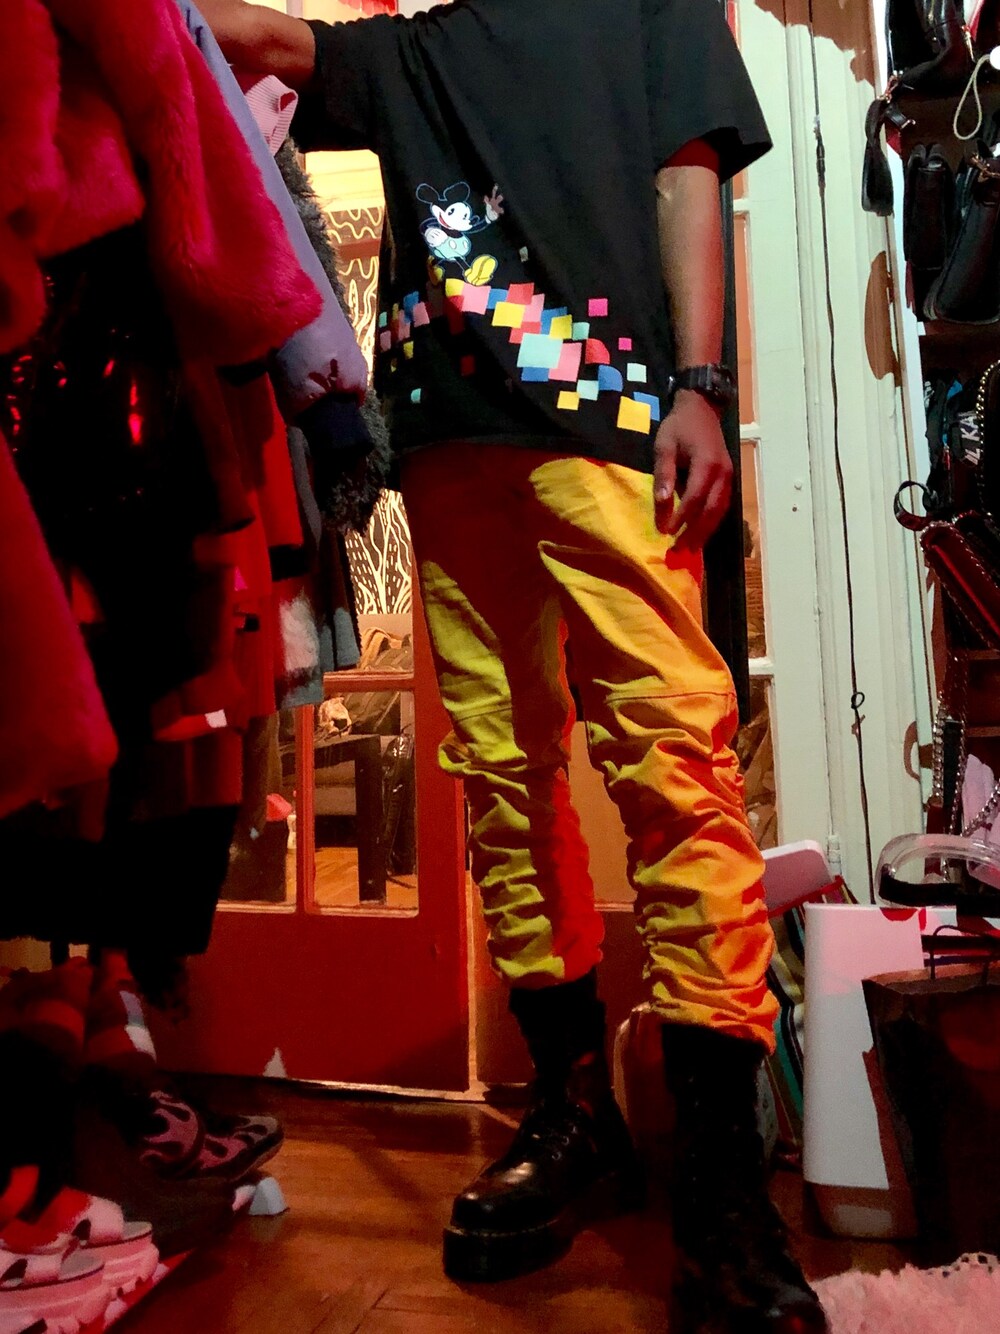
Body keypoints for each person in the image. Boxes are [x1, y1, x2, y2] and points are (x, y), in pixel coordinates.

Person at [199, 1, 827, 1329]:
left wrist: (702, 382)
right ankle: (573, 1110)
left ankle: (721, 1181)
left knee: (674, 765)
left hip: (611, 422)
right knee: (499, 774)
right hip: (445, 441)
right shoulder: (414, 49)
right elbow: (259, 38)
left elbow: (688, 170)